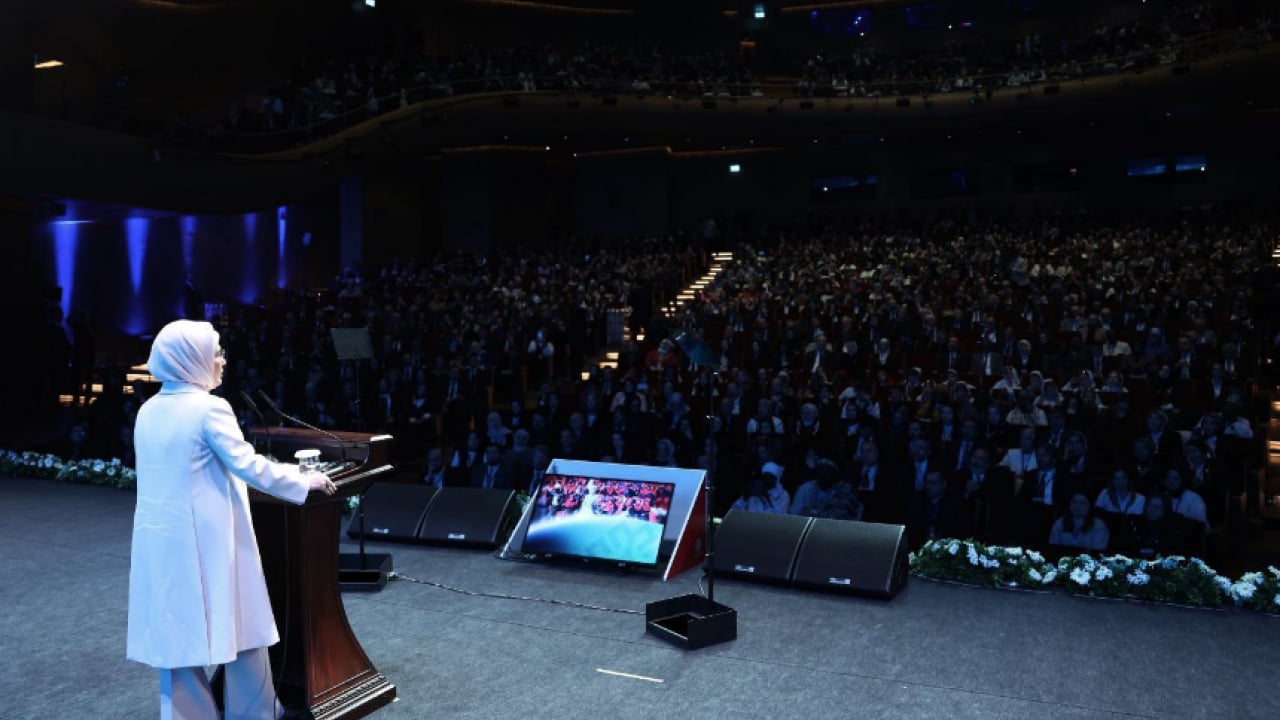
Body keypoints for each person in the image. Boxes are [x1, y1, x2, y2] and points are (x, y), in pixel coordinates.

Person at [127, 320, 334, 720]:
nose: (222, 361)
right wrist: (302, 481)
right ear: (191, 358)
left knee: (176, 640)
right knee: (243, 628)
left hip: (162, 542)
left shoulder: (148, 409)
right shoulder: (209, 408)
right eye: (216, 352)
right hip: (211, 541)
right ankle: (255, 713)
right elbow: (248, 465)